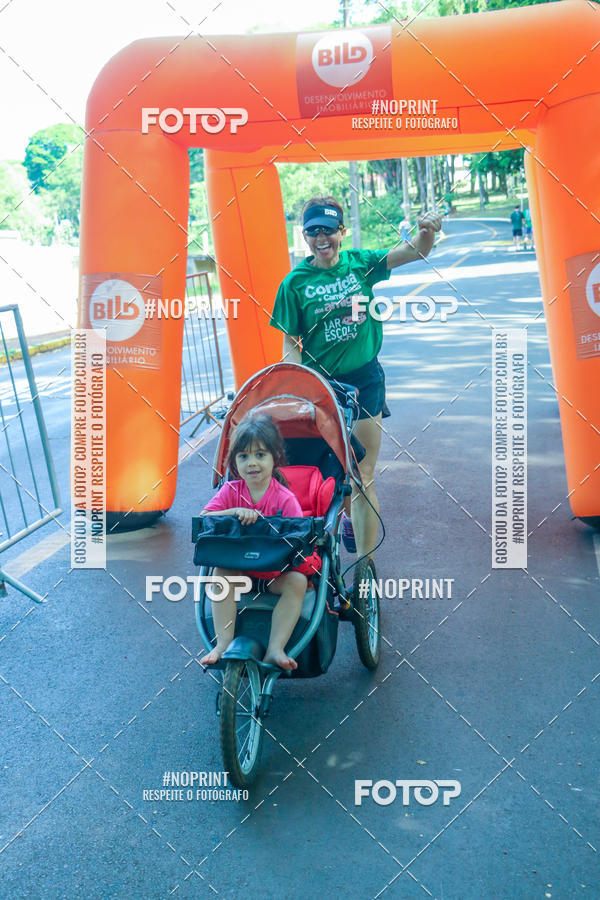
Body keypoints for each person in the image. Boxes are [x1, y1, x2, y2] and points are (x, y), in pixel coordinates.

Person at [270, 196, 442, 563]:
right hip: (322, 386)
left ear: (341, 232)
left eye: (328, 231)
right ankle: (341, 521)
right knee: (328, 472)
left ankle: (366, 567)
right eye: (313, 231)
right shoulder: (294, 284)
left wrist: (427, 231)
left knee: (363, 474)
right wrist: (296, 383)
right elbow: (290, 338)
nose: (321, 238)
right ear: (304, 235)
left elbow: (415, 251)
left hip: (364, 380)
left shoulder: (360, 263)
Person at [199, 415, 308, 671]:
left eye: (260, 455)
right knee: (220, 574)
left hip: (275, 574)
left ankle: (275, 648)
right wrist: (234, 511)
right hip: (240, 571)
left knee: (298, 582)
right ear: (235, 461)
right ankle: (223, 643)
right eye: (244, 456)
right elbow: (205, 519)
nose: (252, 463)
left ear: (275, 458)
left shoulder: (285, 499)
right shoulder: (230, 492)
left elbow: (298, 537)